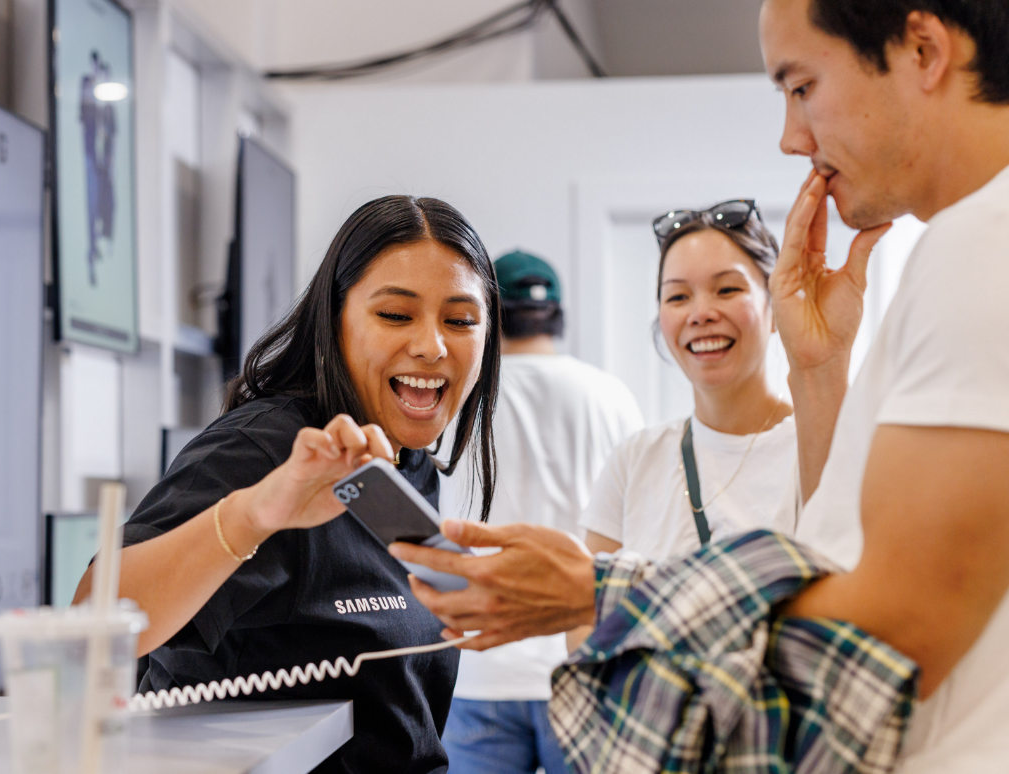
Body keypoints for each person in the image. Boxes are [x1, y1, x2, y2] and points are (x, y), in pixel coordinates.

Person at [390, 1, 1009, 770]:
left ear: (921, 49)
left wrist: (598, 591)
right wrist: (817, 368)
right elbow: (847, 560)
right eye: (676, 295)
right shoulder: (969, 249)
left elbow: (896, 623)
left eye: (802, 85)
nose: (791, 136)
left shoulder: (983, 247)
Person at [74, 195, 503, 774]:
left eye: (460, 320)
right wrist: (257, 512)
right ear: (335, 321)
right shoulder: (267, 448)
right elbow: (92, 624)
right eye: (396, 315)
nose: (432, 345)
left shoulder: (408, 459)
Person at [440, 251, 643, 774]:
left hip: (481, 664)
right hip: (584, 661)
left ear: (490, 313)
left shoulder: (460, 397)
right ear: (558, 315)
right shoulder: (611, 395)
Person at [582, 201, 796, 564]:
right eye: (678, 296)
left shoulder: (818, 449)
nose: (700, 315)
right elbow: (586, 613)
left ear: (775, 308)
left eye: (727, 290)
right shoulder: (634, 462)